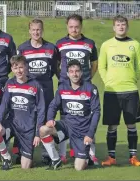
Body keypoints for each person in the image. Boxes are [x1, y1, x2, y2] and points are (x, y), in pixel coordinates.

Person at [98, 15, 140, 167]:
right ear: (113, 27)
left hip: (130, 90)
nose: (121, 27)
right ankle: (111, 157)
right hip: (112, 92)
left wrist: (132, 79)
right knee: (112, 125)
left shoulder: (135, 44)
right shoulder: (106, 45)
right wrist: (108, 82)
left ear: (127, 27)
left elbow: (139, 66)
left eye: (123, 24)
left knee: (132, 124)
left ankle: (133, 156)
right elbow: (101, 67)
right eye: (118, 24)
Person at [39, 59, 100, 171]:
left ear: (81, 73)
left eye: (77, 71)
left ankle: (88, 158)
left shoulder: (91, 88)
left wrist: (90, 134)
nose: (74, 74)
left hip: (82, 130)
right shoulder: (62, 88)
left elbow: (96, 112)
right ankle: (56, 159)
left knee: (79, 167)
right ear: (67, 74)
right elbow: (53, 106)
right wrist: (50, 119)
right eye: (71, 71)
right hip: (67, 127)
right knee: (43, 130)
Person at [16, 18, 60, 165]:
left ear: (42, 30)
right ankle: (23, 151)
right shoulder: (22, 48)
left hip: (46, 89)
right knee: (27, 120)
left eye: (38, 29)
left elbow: (54, 69)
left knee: (46, 121)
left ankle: (47, 153)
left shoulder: (51, 48)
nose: (36, 32)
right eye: (33, 29)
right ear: (29, 31)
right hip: (28, 90)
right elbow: (19, 69)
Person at [55, 14, 99, 164]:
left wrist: (87, 79)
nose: (74, 29)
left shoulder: (89, 43)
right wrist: (63, 79)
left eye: (77, 26)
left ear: (81, 26)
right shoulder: (60, 44)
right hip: (65, 88)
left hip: (84, 87)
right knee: (65, 118)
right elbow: (56, 64)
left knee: (89, 119)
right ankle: (63, 154)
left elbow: (94, 65)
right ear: (67, 27)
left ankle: (91, 153)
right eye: (71, 27)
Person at [0, 55, 46, 169]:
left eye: (21, 67)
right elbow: (4, 104)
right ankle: (7, 158)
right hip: (12, 124)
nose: (19, 71)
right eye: (16, 68)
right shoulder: (10, 83)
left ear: (26, 67)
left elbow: (41, 110)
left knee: (25, 167)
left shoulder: (35, 85)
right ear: (12, 69)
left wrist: (37, 133)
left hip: (28, 128)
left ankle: (24, 154)